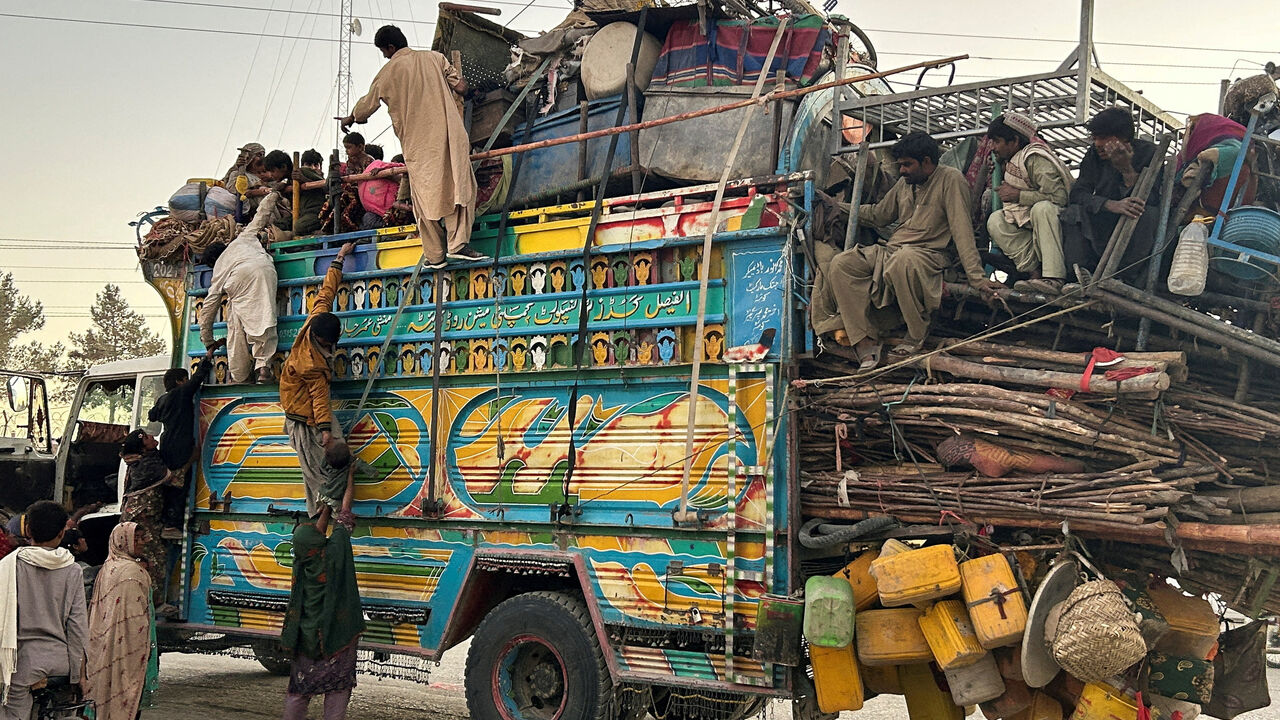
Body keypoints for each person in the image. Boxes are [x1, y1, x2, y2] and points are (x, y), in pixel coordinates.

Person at [810, 131, 1001, 370]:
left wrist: (977, 279)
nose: (902, 170)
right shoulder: (904, 184)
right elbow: (879, 215)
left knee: (902, 261)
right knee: (842, 264)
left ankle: (916, 333)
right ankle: (864, 340)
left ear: (927, 161)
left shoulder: (951, 180)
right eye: (900, 165)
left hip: (929, 255)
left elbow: (962, 231)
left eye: (907, 165)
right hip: (893, 250)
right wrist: (836, 205)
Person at [340, 25, 488, 268]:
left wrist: (351, 118)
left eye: (384, 52)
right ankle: (458, 244)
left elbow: (365, 108)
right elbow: (461, 87)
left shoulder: (386, 73)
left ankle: (435, 256)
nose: (385, 56)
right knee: (460, 187)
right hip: (451, 136)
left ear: (389, 47)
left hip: (418, 146)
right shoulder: (435, 58)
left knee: (424, 197)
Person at [279, 242, 356, 517]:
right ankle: (327, 518)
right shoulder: (312, 363)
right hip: (304, 419)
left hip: (308, 411)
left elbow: (326, 292)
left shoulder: (314, 319)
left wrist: (339, 258)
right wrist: (324, 432)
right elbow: (319, 399)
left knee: (337, 459)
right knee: (318, 472)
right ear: (322, 340)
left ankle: (329, 510)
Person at [279, 467, 363, 720]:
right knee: (337, 690)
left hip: (307, 640)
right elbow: (345, 515)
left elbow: (316, 533)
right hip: (337, 638)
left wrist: (325, 504)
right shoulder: (335, 553)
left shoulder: (301, 563)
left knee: (298, 692)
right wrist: (348, 479)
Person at [0, 501, 88, 720]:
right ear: (61, 533)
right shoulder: (73, 569)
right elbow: (77, 626)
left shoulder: (8, 565)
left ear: (27, 530)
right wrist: (78, 675)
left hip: (21, 664)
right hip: (61, 662)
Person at [1060, 107, 1161, 282]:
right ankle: (1078, 274)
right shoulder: (1093, 155)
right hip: (1102, 220)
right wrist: (1110, 205)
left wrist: (1126, 169)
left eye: (1104, 138)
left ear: (1123, 138)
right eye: (1095, 138)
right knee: (1072, 212)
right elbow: (1078, 193)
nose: (1098, 143)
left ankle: (1125, 276)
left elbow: (1150, 198)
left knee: (1148, 215)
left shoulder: (1148, 152)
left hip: (1132, 230)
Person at [984, 112, 1074, 295]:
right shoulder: (1010, 161)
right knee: (996, 220)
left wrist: (1018, 195)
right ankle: (1034, 273)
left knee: (1042, 209)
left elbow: (1058, 198)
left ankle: (1054, 278)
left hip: (1058, 223)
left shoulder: (1034, 158)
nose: (992, 147)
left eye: (997, 141)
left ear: (1015, 141)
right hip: (1030, 225)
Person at [200, 192, 284, 384]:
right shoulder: (242, 239)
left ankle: (240, 374)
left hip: (240, 280)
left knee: (236, 324)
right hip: (266, 269)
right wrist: (274, 193)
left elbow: (209, 307)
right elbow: (261, 216)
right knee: (264, 317)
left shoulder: (219, 268)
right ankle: (263, 368)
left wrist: (207, 340)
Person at [84, 523, 158, 720]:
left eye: (142, 537)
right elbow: (135, 623)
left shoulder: (108, 567)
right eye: (137, 538)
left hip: (104, 648)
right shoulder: (133, 572)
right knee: (126, 699)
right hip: (128, 652)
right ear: (122, 541)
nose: (143, 542)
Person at [148, 342, 220, 540]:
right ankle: (173, 525)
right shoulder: (181, 394)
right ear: (180, 381)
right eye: (185, 379)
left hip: (167, 444)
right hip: (181, 445)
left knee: (171, 483)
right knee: (181, 484)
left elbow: (152, 415)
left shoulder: (163, 400)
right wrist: (208, 357)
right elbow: (197, 379)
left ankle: (168, 523)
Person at [118, 429, 175, 614]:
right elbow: (175, 479)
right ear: (143, 447)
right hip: (142, 520)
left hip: (141, 518)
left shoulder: (142, 459)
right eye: (149, 438)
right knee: (153, 559)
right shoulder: (148, 465)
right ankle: (154, 604)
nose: (153, 438)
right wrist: (193, 457)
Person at [283, 149, 328, 236]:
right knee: (282, 223)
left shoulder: (321, 180)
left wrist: (303, 179)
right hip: (302, 214)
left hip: (318, 214)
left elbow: (325, 186)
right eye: (308, 165)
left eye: (316, 165)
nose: (313, 168)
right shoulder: (296, 177)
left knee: (299, 226)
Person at [60, 528, 97, 602]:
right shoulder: (82, 568)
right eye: (81, 537)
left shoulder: (62, 565)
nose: (84, 540)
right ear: (75, 546)